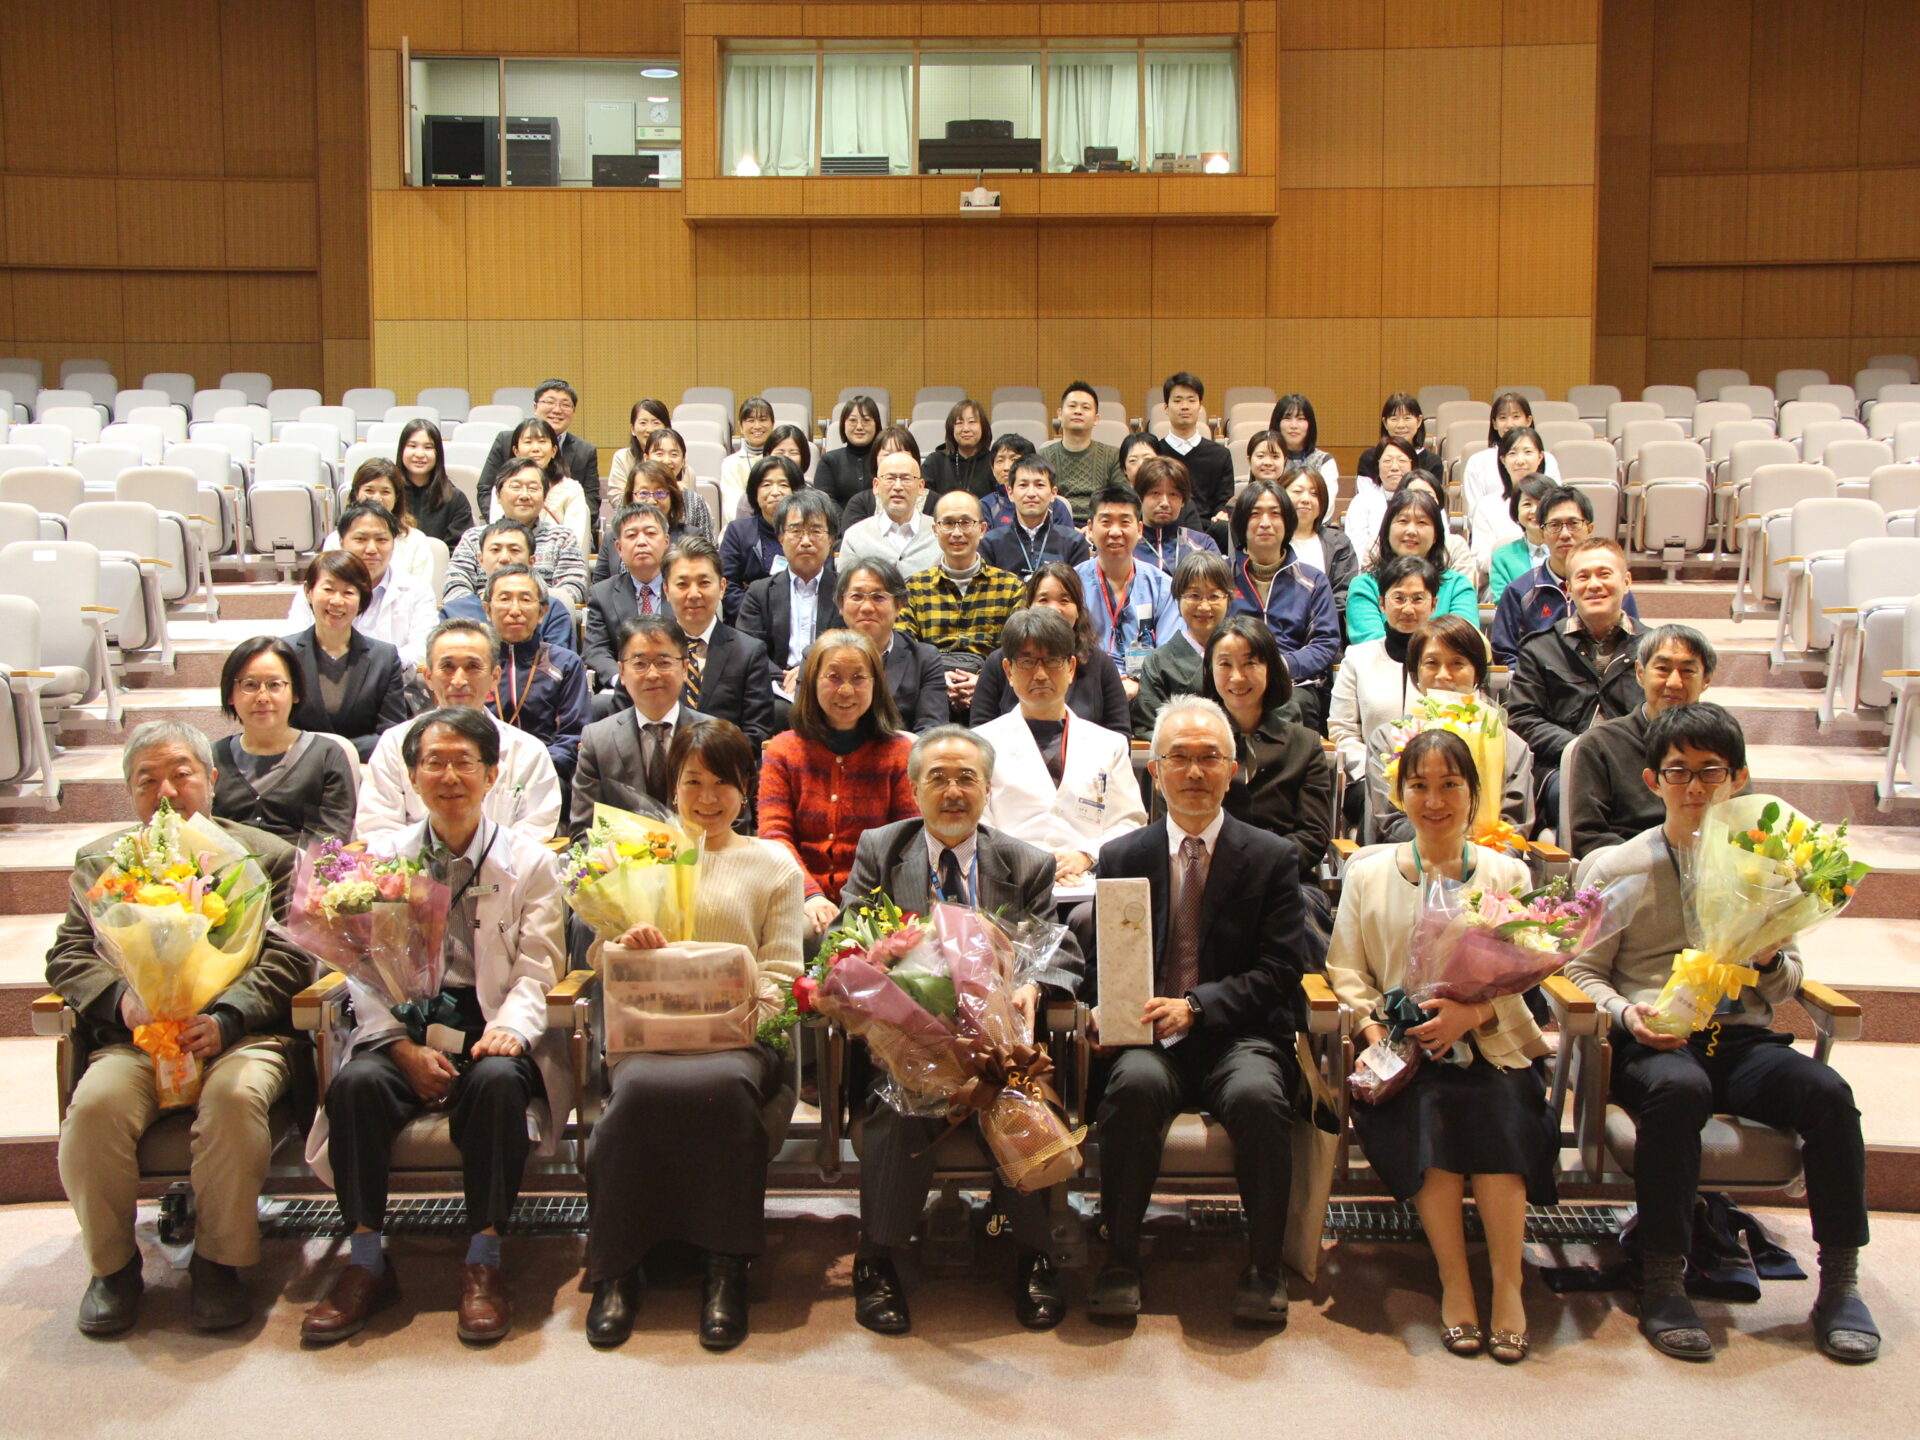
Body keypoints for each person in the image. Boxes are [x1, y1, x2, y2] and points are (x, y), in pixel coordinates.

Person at [1568, 702, 1877, 1364]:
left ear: (1739, 779)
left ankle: (1841, 1285)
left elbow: (1788, 979)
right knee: (1677, 1090)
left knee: (1828, 1094)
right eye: (1679, 772)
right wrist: (1627, 1015)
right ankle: (1662, 1279)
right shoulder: (1619, 867)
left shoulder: (1765, 869)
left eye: (1712, 771)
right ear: (1653, 781)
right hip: (1653, 1039)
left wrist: (1766, 958)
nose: (1696, 788)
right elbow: (1580, 973)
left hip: (1735, 1039)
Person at [301, 707, 569, 1346]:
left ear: (492, 774)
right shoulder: (377, 859)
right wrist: (396, 1046)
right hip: (399, 1025)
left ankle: (484, 1260)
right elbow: (356, 970)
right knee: (355, 1089)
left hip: (492, 1023)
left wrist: (510, 1029)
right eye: (434, 763)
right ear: (413, 776)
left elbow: (539, 968)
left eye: (464, 763)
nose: (449, 776)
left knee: (500, 1083)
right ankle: (366, 1261)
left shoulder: (528, 862)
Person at [48, 722, 310, 1335]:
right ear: (129, 793)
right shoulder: (103, 864)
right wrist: (123, 1003)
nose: (166, 791)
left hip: (240, 1037)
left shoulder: (263, 856)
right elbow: (67, 956)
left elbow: (295, 956)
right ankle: (112, 1269)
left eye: (181, 774)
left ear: (212, 780)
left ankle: (218, 1264)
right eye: (147, 780)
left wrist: (225, 1016)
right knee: (95, 1108)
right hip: (137, 1041)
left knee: (233, 1099)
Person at [840, 726, 1085, 1336]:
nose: (953, 792)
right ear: (914, 788)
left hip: (999, 1048)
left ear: (988, 788)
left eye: (966, 779)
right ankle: (878, 1260)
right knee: (900, 1101)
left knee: (1018, 1096)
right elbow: (843, 942)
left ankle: (1031, 1256)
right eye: (938, 779)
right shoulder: (881, 849)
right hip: (904, 1049)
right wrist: (887, 966)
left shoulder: (1023, 862)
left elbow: (1060, 951)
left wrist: (1033, 984)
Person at [1327, 729, 1555, 1364]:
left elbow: (1530, 974)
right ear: (1398, 793)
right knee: (1430, 1115)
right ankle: (1456, 1282)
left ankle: (1507, 1287)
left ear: (1474, 794)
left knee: (1500, 1112)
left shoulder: (1508, 872)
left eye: (1450, 785)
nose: (1435, 800)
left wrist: (1472, 1012)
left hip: (1491, 1046)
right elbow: (1346, 972)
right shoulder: (1368, 872)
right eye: (1420, 785)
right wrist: (1377, 1034)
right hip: (1401, 1058)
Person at [584, 719, 805, 1351]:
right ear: (671, 784)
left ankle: (724, 1266)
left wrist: (732, 1021)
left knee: (722, 1085)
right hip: (650, 1034)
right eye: (692, 782)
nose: (706, 799)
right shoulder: (641, 852)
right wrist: (623, 945)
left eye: (722, 784)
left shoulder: (773, 866)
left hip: (740, 1040)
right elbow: (603, 956)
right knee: (639, 1091)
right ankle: (618, 1272)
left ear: (747, 789)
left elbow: (784, 977)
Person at [1085, 695, 1306, 1324]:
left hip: (1240, 1036)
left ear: (1234, 770)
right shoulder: (1122, 856)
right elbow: (1109, 957)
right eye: (1178, 758)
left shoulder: (1271, 856)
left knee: (1262, 1100)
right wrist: (1106, 1006)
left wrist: (1197, 1007)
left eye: (1210, 757)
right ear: (1154, 771)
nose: (1193, 771)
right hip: (1151, 1038)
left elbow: (1280, 971)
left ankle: (1263, 1267)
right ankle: (1121, 1256)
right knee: (1130, 1089)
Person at [757, 630, 916, 936]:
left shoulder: (899, 754)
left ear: (876, 684)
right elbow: (774, 837)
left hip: (877, 902)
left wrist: (865, 905)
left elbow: (907, 842)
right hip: (799, 898)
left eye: (858, 678)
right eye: (833, 677)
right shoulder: (783, 751)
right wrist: (810, 894)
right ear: (812, 682)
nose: (846, 691)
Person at [976, 608, 1147, 885]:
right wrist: (1034, 862)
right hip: (1011, 883)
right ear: (1008, 670)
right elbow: (978, 826)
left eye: (1052, 661)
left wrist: (1085, 856)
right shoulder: (980, 745)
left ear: (1070, 668)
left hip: (1087, 882)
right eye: (1028, 662)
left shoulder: (1109, 745)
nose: (1041, 674)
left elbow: (1129, 822)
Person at [356, 619, 562, 842]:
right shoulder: (394, 743)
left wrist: (475, 863)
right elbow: (378, 828)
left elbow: (535, 832)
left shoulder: (528, 752)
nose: (459, 680)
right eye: (447, 667)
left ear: (495, 677)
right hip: (413, 872)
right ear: (428, 677)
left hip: (501, 873)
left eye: (473, 667)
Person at [1202, 616, 1334, 932]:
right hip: (1209, 876)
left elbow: (1313, 835)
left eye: (1250, 663)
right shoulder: (1196, 744)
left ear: (1270, 668)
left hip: (1287, 879)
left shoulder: (1305, 744)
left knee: (1296, 914)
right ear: (1210, 671)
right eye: (1225, 664)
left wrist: (1263, 868)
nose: (1237, 677)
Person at [1364, 616, 1534, 846]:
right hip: (1408, 861)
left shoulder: (1509, 744)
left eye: (1457, 663)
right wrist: (1447, 853)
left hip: (1487, 866)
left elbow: (1514, 826)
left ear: (1477, 672)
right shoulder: (1388, 739)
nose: (1443, 675)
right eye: (1432, 663)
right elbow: (1391, 822)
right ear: (1416, 672)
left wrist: (1475, 864)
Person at [1508, 536, 1646, 820]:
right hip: (1563, 767)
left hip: (1638, 765)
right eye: (1583, 577)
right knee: (1577, 792)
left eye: (1604, 574)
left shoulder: (1654, 648)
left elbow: (1668, 717)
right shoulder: (1540, 647)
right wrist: (1583, 749)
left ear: (1627, 582)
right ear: (1569, 589)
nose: (1594, 584)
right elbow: (1522, 719)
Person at [1565, 624, 1717, 858]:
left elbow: (1740, 823)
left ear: (1706, 679)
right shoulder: (1600, 744)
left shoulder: (1719, 743)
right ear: (1640, 673)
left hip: (1707, 870)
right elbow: (1590, 838)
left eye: (1688, 671)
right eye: (1663, 669)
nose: (1674, 683)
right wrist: (1664, 864)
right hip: (1628, 875)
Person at [569, 615, 715, 840]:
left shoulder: (715, 736)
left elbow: (733, 823)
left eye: (664, 662)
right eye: (640, 664)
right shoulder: (597, 740)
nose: (653, 674)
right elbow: (583, 834)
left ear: (685, 667)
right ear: (622, 672)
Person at [213, 635, 358, 843]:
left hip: (303, 874)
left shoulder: (327, 756)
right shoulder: (212, 758)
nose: (262, 697)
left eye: (274, 685)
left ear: (295, 692)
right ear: (230, 694)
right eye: (250, 685)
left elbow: (330, 841)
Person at [1224, 479, 1342, 730]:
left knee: (1288, 708)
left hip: (1294, 684)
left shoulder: (1313, 580)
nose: (1265, 522)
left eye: (1275, 514)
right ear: (1242, 523)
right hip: (1233, 680)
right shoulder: (1223, 577)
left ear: (1287, 522)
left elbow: (1325, 642)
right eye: (1255, 514)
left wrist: (1282, 666)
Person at [1328, 555, 1439, 815]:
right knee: (1379, 805)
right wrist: (1381, 769)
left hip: (1435, 779)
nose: (1408, 609)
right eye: (1398, 598)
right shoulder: (1358, 658)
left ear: (1433, 604)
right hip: (1370, 778)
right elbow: (1341, 731)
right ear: (1381, 603)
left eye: (1418, 599)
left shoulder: (1445, 663)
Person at [899, 489, 1024, 718]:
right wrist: (937, 681)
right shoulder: (914, 588)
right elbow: (904, 649)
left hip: (994, 695)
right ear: (935, 530)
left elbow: (1017, 651)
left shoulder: (1010, 587)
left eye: (966, 523)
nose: (957, 532)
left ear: (983, 529)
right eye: (948, 523)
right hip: (929, 693)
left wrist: (984, 682)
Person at [1490, 485, 1643, 665]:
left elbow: (1632, 646)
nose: (1564, 534)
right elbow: (1505, 655)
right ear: (1542, 532)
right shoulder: (1519, 591)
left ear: (1589, 528)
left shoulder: (1610, 589)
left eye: (1573, 524)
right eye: (1554, 525)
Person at [971, 562, 1131, 731]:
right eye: (1043, 600)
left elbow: (1119, 734)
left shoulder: (1101, 664)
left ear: (1078, 609)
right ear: (1029, 606)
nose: (1054, 609)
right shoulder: (1000, 660)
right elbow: (980, 733)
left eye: (1064, 600)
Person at [286, 549, 413, 758]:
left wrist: (334, 751)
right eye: (328, 589)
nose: (337, 601)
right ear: (308, 592)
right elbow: (278, 728)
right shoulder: (284, 654)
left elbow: (391, 735)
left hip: (365, 772)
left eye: (348, 592)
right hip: (297, 770)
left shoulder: (384, 657)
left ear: (362, 599)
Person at [287, 501, 438, 667]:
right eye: (361, 539)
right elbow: (296, 642)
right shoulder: (318, 589)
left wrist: (371, 670)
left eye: (381, 539)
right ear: (342, 541)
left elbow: (423, 647)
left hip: (397, 683)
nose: (372, 549)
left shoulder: (417, 590)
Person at [484, 563, 591, 786]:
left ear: (542, 611)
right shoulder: (474, 665)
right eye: (504, 599)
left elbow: (572, 736)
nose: (515, 610)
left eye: (525, 599)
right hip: (482, 775)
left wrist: (532, 771)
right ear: (487, 610)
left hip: (545, 775)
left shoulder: (565, 663)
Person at [661, 537, 775, 746]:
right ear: (667, 590)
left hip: (724, 772)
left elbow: (757, 732)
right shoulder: (650, 650)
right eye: (682, 584)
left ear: (722, 587)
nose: (694, 594)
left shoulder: (749, 652)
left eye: (704, 583)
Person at [736, 489, 842, 705]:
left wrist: (808, 672)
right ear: (781, 538)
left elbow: (853, 643)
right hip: (776, 688)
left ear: (831, 539)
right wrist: (785, 680)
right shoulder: (759, 592)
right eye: (796, 531)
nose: (805, 541)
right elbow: (749, 648)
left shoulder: (846, 591)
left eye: (815, 531)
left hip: (834, 684)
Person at [1076, 485, 1181, 699]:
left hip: (1146, 690)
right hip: (1084, 687)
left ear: (1139, 529)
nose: (1115, 531)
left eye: (1125, 522)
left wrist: (1137, 681)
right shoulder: (1071, 584)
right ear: (1090, 529)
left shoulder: (1162, 586)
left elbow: (1170, 649)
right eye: (1105, 522)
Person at [444, 458, 589, 610]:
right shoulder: (474, 538)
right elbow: (454, 586)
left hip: (541, 623)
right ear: (498, 496)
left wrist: (527, 605)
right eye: (516, 487)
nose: (524, 495)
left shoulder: (562, 538)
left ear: (544, 497)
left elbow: (572, 589)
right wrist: (492, 608)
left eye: (533, 488)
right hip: (480, 622)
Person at [1345, 488, 1477, 645]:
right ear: (1387, 531)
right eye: (1403, 521)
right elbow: (1371, 645)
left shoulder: (1457, 585)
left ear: (1436, 535)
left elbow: (1462, 642)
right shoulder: (1364, 586)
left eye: (1422, 522)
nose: (1411, 531)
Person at [837, 559, 946, 733]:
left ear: (899, 606)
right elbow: (807, 726)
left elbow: (931, 729)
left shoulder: (924, 659)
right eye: (856, 597)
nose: (866, 607)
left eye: (878, 597)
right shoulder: (816, 656)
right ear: (841, 604)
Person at [1135, 551, 1233, 742]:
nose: (1204, 606)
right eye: (1194, 595)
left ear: (1228, 599)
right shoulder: (1158, 661)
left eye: (1214, 596)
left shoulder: (1242, 654)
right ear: (1178, 599)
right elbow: (1146, 724)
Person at [476, 379, 599, 524]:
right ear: (535, 406)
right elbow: (486, 489)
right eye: (549, 402)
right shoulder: (506, 440)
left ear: (573, 411)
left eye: (565, 404)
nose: (557, 410)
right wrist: (504, 521)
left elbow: (591, 501)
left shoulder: (584, 451)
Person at [441, 518, 575, 651]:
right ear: (480, 559)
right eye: (495, 550)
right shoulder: (454, 611)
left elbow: (560, 664)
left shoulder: (550, 609)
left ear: (531, 561)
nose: (504, 558)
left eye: (514, 550)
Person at [583, 503, 673, 698]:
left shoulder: (682, 589)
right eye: (632, 535)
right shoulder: (602, 593)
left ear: (666, 541)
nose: (641, 542)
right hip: (623, 692)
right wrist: (622, 682)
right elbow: (596, 649)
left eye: (650, 533)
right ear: (619, 548)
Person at [1459, 393, 1561, 544]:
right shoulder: (1478, 462)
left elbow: (1555, 502)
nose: (1509, 424)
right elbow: (1475, 512)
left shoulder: (1548, 459)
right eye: (1502, 418)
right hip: (1494, 536)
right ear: (1494, 424)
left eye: (1516, 416)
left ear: (1528, 420)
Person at [487, 417, 590, 554]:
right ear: (516, 451)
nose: (535, 448)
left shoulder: (571, 489)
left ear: (554, 450)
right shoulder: (503, 487)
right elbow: (497, 531)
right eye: (528, 442)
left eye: (542, 442)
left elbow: (575, 542)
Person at [330, 457, 437, 587]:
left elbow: (420, 591)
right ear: (356, 494)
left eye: (385, 492)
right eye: (369, 490)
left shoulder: (416, 540)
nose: (377, 498)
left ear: (396, 497)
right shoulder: (335, 539)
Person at [719, 454, 800, 622]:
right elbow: (727, 585)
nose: (775, 492)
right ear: (755, 493)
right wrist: (756, 616)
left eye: (783, 484)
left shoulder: (809, 533)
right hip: (748, 623)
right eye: (766, 484)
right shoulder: (738, 531)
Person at [978, 455, 1090, 576]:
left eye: (1039, 485)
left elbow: (1077, 591)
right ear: (1010, 493)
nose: (1031, 493)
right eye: (1023, 485)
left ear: (1053, 493)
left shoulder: (1074, 542)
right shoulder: (990, 543)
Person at [837, 445, 939, 577]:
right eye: (890, 478)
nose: (897, 487)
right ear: (876, 486)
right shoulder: (855, 536)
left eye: (906, 479)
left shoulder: (940, 534)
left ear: (920, 487)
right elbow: (846, 592)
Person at [1152, 371, 1235, 529]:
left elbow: (1224, 502)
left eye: (1191, 400)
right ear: (1166, 408)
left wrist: (1222, 514)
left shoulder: (1220, 454)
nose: (1185, 406)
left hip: (1208, 529)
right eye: (1177, 400)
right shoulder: (1155, 452)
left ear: (1200, 407)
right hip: (1163, 524)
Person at [1465, 424, 1548, 571]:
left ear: (1540, 457)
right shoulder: (1488, 505)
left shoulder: (1556, 502)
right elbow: (1481, 558)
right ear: (1503, 460)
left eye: (1528, 452)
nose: (1520, 460)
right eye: (1512, 453)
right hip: (1503, 579)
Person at [1283, 465, 1357, 628]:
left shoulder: (1339, 543)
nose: (1305, 499)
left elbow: (1343, 595)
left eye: (1314, 493)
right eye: (1297, 491)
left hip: (1324, 631)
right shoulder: (1272, 541)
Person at [1040, 380, 1124, 521]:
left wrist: (1094, 528)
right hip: (1057, 527)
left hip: (1101, 526)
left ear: (1096, 419)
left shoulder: (1113, 455)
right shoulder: (1044, 456)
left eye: (1085, 407)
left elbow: (1121, 498)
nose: (1078, 411)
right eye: (1072, 406)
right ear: (1060, 414)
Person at [394, 419, 474, 550]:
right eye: (412, 446)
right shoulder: (390, 495)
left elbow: (460, 551)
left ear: (438, 454)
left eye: (428, 447)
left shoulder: (455, 499)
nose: (419, 454)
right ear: (401, 450)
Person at [1133, 455, 1220, 574]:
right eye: (1155, 493)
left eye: (1173, 494)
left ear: (1183, 501)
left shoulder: (1203, 546)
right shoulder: (1124, 546)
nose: (1164, 503)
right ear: (1140, 497)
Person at [835, 425, 925, 530]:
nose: (894, 459)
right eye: (887, 455)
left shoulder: (933, 502)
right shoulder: (860, 503)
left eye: (900, 453)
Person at [637, 427, 717, 543]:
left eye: (674, 454)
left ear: (683, 460)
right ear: (646, 458)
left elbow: (708, 548)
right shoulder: (633, 496)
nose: (666, 460)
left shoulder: (695, 501)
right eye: (659, 453)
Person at [980, 433, 1072, 532]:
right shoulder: (986, 505)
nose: (1006, 467)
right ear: (992, 469)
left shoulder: (1056, 506)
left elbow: (1067, 542)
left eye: (1014, 459)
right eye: (1000, 460)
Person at [1487, 474, 1557, 604]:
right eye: (1527, 504)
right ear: (1516, 510)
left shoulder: (1567, 551)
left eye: (1541, 503)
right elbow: (1504, 604)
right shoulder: (1502, 557)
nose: (1534, 511)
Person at [604, 397, 673, 525]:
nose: (649, 429)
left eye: (656, 422)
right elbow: (617, 499)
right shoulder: (622, 457)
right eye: (643, 423)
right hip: (631, 521)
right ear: (632, 429)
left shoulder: (675, 459)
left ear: (666, 427)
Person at [1355, 392, 1440, 487]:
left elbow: (1431, 498)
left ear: (1419, 421)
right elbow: (1365, 497)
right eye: (1394, 419)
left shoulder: (1432, 462)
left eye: (1407, 418)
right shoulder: (1369, 458)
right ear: (1385, 423)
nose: (1401, 425)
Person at [815, 394, 882, 510]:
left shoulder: (886, 459)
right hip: (840, 526)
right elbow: (825, 502)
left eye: (866, 420)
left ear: (876, 424)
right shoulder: (828, 461)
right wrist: (847, 524)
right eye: (852, 420)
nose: (859, 427)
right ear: (843, 424)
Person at [1268, 392, 1338, 498]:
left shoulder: (1324, 461)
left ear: (1310, 424)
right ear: (1277, 423)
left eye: (1301, 419)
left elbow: (1327, 503)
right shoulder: (1266, 458)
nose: (1294, 425)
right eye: (1287, 418)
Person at [921, 398, 995, 498]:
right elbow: (923, 499)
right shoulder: (935, 462)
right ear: (952, 428)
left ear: (983, 427)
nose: (966, 429)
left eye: (972, 422)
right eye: (959, 423)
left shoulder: (994, 463)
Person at [717, 395, 777, 517]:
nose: (757, 426)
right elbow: (733, 510)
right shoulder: (731, 464)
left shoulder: (779, 460)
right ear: (741, 426)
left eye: (763, 419)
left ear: (772, 424)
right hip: (741, 529)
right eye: (750, 420)